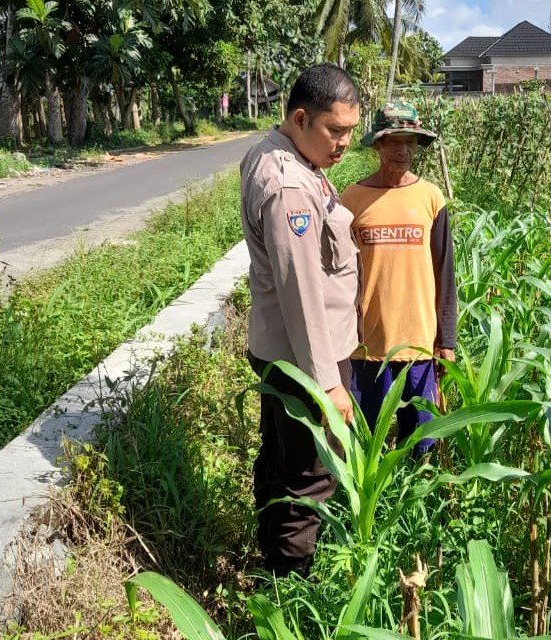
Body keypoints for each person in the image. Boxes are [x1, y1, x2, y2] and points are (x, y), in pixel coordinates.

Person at [239, 64, 361, 577]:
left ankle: (272, 560)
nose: (345, 144)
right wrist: (328, 385)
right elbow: (302, 294)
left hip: (283, 353)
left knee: (281, 460)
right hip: (309, 359)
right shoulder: (290, 184)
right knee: (310, 476)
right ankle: (293, 588)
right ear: (300, 118)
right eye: (335, 131)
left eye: (351, 131)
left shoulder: (280, 153)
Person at [341, 101, 457, 458]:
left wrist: (446, 340)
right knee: (363, 442)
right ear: (377, 145)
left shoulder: (431, 198)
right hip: (366, 346)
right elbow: (340, 276)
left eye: (411, 142)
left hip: (419, 346)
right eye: (394, 141)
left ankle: (415, 510)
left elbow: (445, 274)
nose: (403, 150)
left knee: (421, 444)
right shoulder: (352, 199)